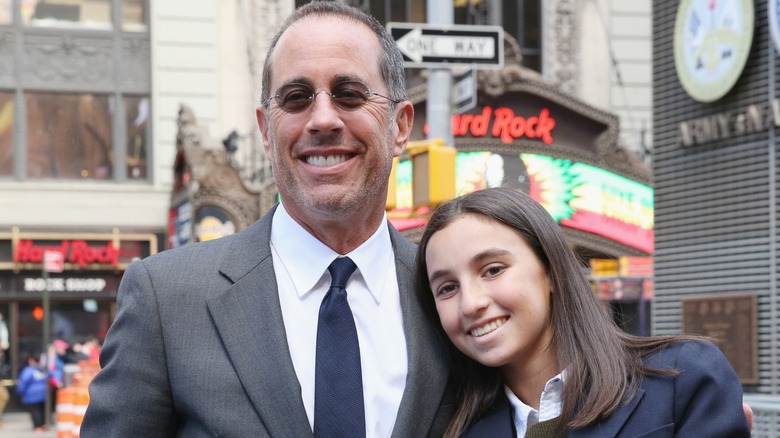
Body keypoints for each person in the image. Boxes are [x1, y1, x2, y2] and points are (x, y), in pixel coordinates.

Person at [81, 2, 452, 436]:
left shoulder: (450, 298)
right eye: (296, 98)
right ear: (264, 131)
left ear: (401, 126)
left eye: (349, 94)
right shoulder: (167, 300)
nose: (323, 119)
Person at [415, 187, 751, 437]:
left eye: (493, 270)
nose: (471, 303)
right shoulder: (452, 427)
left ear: (552, 272)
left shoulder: (685, 377)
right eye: (447, 288)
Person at [17, 354, 48, 432]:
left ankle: (37, 426)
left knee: (35, 411)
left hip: (32, 394)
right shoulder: (43, 370)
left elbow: (23, 382)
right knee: (42, 409)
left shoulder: (28, 370)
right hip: (44, 393)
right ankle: (43, 424)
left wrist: (19, 391)